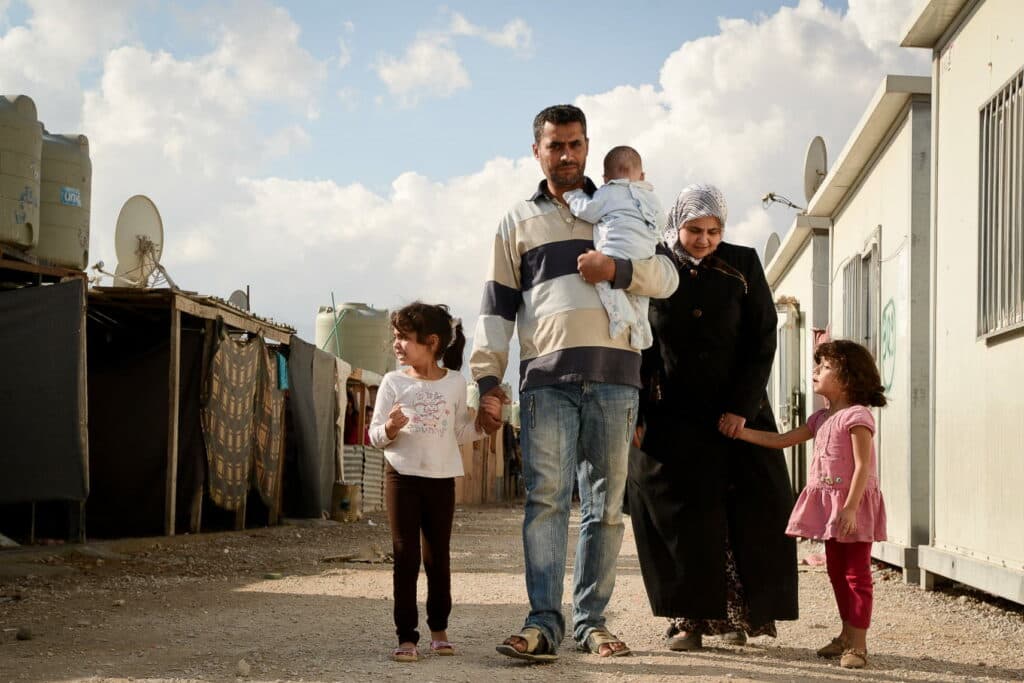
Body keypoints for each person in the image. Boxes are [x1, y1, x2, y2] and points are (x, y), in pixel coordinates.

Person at [471, 104, 680, 661]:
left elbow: (667, 276)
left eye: (576, 144)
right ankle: (542, 624)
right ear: (536, 151)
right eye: (555, 145)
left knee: (606, 507)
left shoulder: (621, 201)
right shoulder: (517, 221)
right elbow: (496, 305)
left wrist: (617, 270)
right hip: (546, 381)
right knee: (545, 502)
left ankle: (592, 623)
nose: (566, 155)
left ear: (588, 146)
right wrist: (487, 379)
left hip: (616, 379)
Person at [628, 183, 798, 652]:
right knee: (681, 518)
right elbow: (638, 340)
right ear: (676, 225)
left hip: (735, 416)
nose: (704, 240)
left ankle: (738, 618)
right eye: (694, 230)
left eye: (713, 230)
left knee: (746, 512)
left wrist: (742, 408)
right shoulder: (655, 265)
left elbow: (762, 339)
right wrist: (638, 409)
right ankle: (689, 621)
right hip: (672, 418)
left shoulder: (742, 265)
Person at [730, 339, 887, 669]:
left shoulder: (857, 416)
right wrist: (741, 433)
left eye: (825, 366)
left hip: (852, 507)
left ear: (848, 377)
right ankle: (846, 634)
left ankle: (858, 645)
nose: (816, 370)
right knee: (836, 572)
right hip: (832, 509)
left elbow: (863, 466)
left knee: (856, 575)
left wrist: (850, 507)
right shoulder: (820, 418)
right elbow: (781, 440)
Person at [369, 301, 499, 663]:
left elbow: (459, 432)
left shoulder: (455, 383)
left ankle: (439, 631)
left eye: (404, 337)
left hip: (441, 480)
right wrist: (390, 428)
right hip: (402, 479)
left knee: (437, 557)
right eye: (395, 337)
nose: (397, 344)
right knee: (405, 557)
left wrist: (484, 426)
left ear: (431, 342)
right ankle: (406, 637)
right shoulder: (393, 382)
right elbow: (375, 435)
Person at [564, 146, 662, 349]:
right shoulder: (651, 197)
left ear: (605, 178)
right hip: (644, 253)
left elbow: (588, 211)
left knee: (601, 276)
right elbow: (661, 221)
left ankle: (620, 316)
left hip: (616, 250)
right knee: (639, 292)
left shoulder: (608, 192)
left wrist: (573, 196)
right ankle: (641, 330)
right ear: (642, 176)